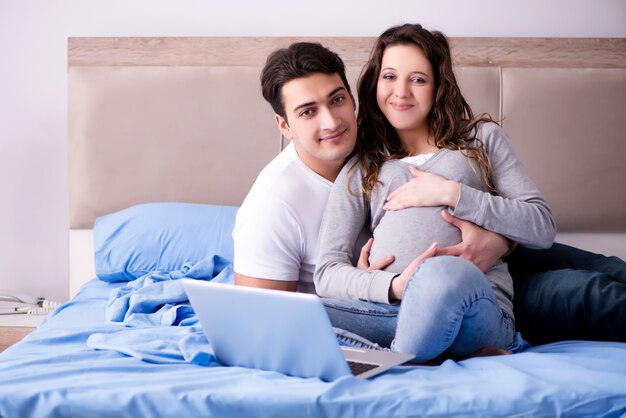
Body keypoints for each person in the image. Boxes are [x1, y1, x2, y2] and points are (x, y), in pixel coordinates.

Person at [233, 40, 626, 350]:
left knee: (603, 272)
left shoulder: (384, 140)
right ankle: (410, 354)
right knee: (587, 295)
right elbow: (265, 319)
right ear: (283, 125)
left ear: (353, 97)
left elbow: (538, 225)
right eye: (307, 112)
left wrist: (489, 232)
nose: (332, 121)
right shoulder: (279, 202)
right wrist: (389, 287)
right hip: (427, 292)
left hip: (498, 258)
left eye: (337, 99)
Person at [314, 23, 559, 362]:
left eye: (418, 79)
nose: (401, 92)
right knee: (286, 311)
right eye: (389, 76)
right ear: (374, 82)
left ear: (438, 86)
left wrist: (454, 193)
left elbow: (542, 226)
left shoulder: (481, 140)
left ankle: (394, 361)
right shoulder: (361, 166)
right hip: (393, 313)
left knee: (440, 273)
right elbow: (326, 272)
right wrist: (394, 285)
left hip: (475, 309)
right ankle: (418, 352)